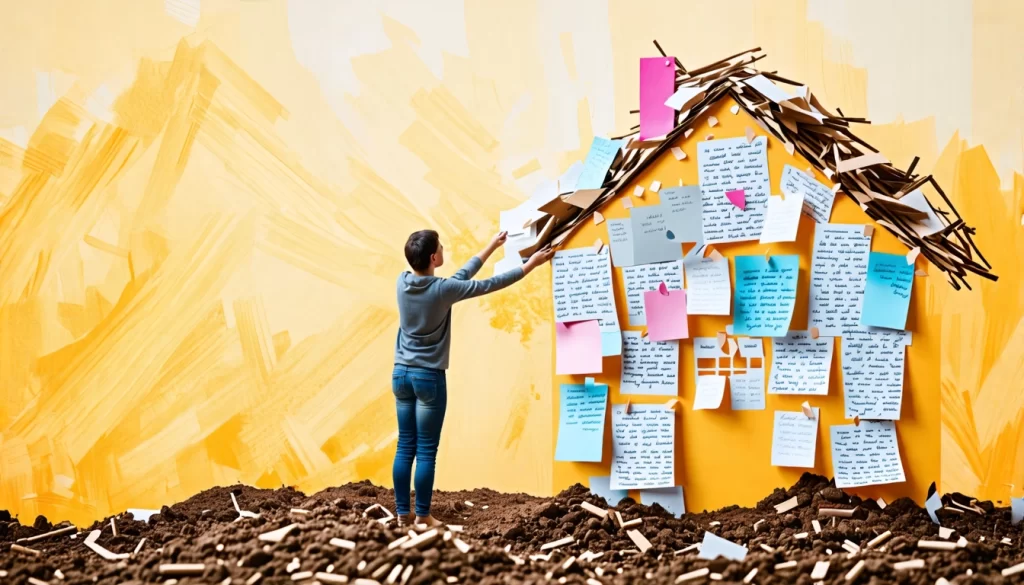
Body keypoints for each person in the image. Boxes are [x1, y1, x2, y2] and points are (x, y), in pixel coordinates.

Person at [392, 229, 554, 527]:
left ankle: (404, 514)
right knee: (426, 449)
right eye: (440, 246)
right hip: (428, 378)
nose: (444, 248)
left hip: (400, 375)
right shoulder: (443, 290)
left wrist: (492, 245)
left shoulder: (402, 283)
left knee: (405, 445)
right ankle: (423, 515)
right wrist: (530, 265)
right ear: (433, 257)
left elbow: (462, 275)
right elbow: (489, 284)